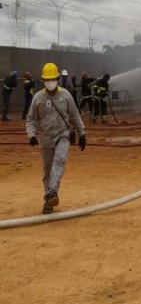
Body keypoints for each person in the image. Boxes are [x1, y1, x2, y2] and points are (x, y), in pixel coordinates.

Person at [26, 62, 86, 214]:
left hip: (63, 135)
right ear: (43, 80)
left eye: (53, 79)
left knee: (59, 161)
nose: (50, 82)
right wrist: (31, 134)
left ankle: (52, 192)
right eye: (47, 79)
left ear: (57, 79)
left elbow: (75, 116)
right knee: (47, 171)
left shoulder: (66, 96)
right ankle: (49, 199)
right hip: (45, 138)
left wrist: (82, 133)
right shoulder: (38, 98)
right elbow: (31, 119)